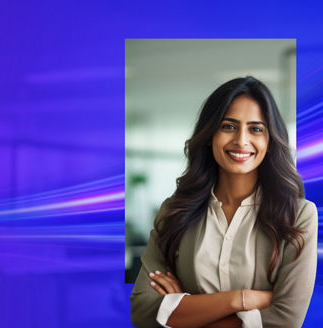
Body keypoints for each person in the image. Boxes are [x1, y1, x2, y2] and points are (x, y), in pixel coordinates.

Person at [130, 76, 318, 328]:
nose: (241, 140)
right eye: (228, 126)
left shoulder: (299, 215)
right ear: (209, 135)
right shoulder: (174, 211)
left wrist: (182, 311)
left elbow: (286, 320)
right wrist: (241, 300)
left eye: (256, 129)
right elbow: (143, 312)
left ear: (270, 140)